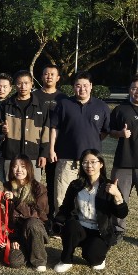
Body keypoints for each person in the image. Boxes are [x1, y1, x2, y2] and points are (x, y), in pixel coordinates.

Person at [54, 149, 128, 273]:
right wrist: (57, 223)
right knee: (70, 225)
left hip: (99, 231)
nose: (89, 165)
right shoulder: (76, 185)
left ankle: (96, 254)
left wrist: (117, 195)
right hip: (80, 227)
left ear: (101, 164)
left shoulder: (109, 186)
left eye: (93, 162)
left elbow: (122, 213)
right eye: (85, 162)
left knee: (94, 259)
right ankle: (66, 260)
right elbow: (66, 207)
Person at [50, 71, 110, 217]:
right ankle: (62, 223)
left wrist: (91, 140)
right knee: (62, 194)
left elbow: (104, 131)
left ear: (91, 86)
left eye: (85, 85)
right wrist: (51, 149)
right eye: (78, 85)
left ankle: (87, 222)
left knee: (90, 195)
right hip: (67, 158)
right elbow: (55, 128)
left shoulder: (102, 106)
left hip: (91, 162)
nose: (82, 89)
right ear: (73, 87)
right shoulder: (64, 104)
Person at [34, 64, 67, 234]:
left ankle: (53, 219)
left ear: (58, 78)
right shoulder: (34, 96)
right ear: (41, 77)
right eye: (46, 74)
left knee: (54, 185)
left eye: (52, 74)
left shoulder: (63, 98)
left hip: (56, 149)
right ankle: (35, 216)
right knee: (35, 185)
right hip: (35, 147)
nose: (49, 77)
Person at [0, 70, 49, 182]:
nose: (23, 86)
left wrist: (43, 154)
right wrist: (2, 129)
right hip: (11, 155)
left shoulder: (41, 105)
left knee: (33, 188)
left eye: (26, 83)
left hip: (33, 155)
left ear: (32, 84)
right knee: (10, 187)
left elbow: (46, 131)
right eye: (19, 83)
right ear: (15, 85)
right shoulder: (6, 105)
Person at [2, 155, 49, 271]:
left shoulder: (38, 188)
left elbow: (37, 213)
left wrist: (16, 201)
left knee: (32, 223)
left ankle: (39, 260)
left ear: (29, 169)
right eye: (15, 166)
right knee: (15, 262)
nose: (19, 170)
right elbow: (2, 213)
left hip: (34, 229)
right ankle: (28, 250)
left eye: (23, 166)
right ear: (11, 169)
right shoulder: (6, 187)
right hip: (16, 232)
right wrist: (12, 239)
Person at [109, 75, 138, 237]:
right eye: (134, 88)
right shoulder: (120, 109)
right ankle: (118, 230)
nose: (137, 91)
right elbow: (110, 131)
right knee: (119, 197)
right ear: (129, 90)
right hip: (123, 163)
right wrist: (120, 133)